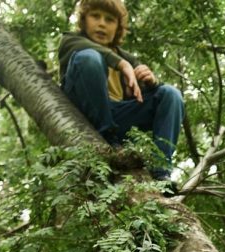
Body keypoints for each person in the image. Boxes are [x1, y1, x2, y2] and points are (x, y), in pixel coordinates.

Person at [57, 0, 184, 181]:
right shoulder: (71, 41)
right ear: (84, 20)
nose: (102, 23)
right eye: (95, 16)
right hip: (83, 110)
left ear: (117, 28)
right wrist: (121, 64)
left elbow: (153, 94)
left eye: (109, 20)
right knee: (90, 58)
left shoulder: (127, 57)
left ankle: (161, 172)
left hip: (118, 118)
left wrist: (151, 82)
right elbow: (90, 55)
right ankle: (108, 138)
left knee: (171, 94)